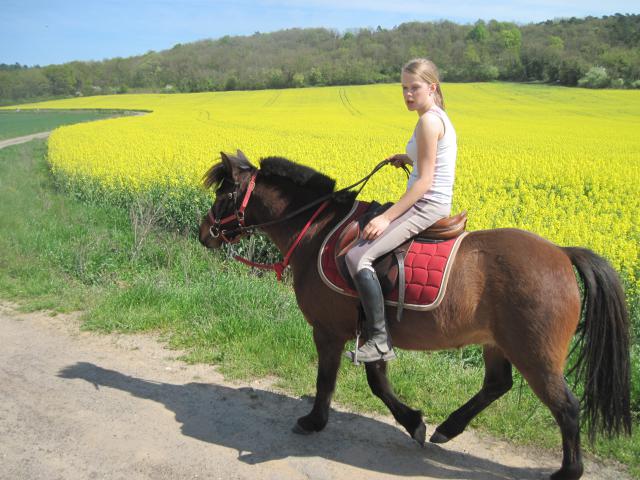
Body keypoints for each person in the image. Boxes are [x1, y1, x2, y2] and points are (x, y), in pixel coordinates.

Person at [345, 58, 457, 363]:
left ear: (432, 87)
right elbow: (429, 160)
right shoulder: (436, 117)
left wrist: (386, 217)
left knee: (357, 256)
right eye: (404, 88)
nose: (408, 94)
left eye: (415, 87)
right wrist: (406, 158)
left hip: (427, 203)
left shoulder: (428, 122)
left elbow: (424, 182)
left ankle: (380, 340)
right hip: (431, 199)